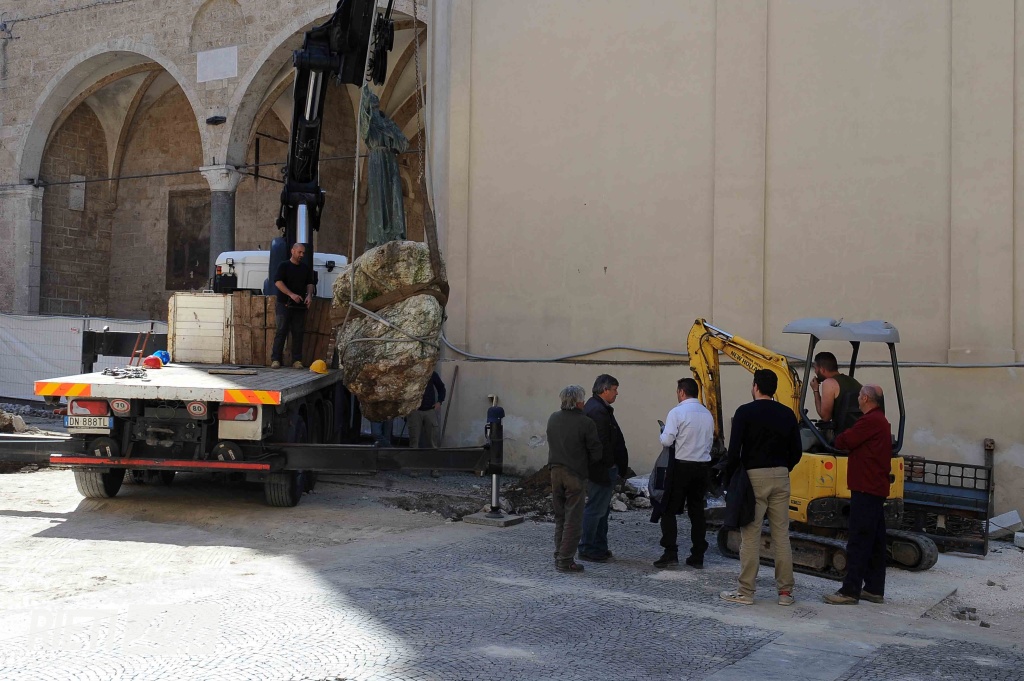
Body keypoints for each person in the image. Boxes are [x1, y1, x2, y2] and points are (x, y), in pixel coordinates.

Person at [719, 370, 804, 606]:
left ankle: (746, 591)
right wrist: (785, 467)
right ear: (774, 388)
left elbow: (733, 452)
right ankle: (785, 593)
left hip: (754, 478)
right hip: (781, 475)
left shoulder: (744, 412)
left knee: (750, 536)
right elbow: (797, 451)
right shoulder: (787, 413)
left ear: (755, 386)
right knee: (781, 536)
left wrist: (731, 478)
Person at [824, 385, 893, 605]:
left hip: (865, 487)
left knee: (859, 540)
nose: (858, 399)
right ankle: (874, 588)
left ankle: (850, 590)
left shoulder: (869, 421)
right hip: (875, 487)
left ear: (865, 399)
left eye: (860, 396)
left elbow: (845, 440)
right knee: (875, 541)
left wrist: (837, 436)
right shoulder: (880, 420)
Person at [654, 377, 714, 569]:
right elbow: (710, 441)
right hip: (702, 467)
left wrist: (663, 432)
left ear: (681, 392)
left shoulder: (677, 412)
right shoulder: (707, 414)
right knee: (697, 512)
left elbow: (667, 441)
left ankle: (670, 552)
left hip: (681, 467)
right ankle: (697, 555)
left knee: (668, 509)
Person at [546, 385, 603, 573]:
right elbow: (596, 452)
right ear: (579, 402)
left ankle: (559, 554)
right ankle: (565, 560)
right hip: (575, 473)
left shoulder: (553, 418)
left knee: (560, 516)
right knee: (573, 519)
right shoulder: (586, 423)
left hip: (555, 471)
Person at [578, 374, 629, 562]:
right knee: (596, 509)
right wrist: (610, 465)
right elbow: (602, 444)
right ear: (604, 390)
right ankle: (588, 547)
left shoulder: (598, 408)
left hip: (601, 468)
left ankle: (598, 547)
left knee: (601, 510)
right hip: (601, 469)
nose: (617, 393)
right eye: (614, 389)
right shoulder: (598, 411)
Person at [271, 243, 315, 369]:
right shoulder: (284, 266)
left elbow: (310, 283)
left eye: (303, 253)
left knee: (298, 332)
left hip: (299, 306)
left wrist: (309, 295)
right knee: (281, 331)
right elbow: (278, 282)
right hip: (284, 304)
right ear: (292, 251)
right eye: (299, 252)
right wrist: (291, 294)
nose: (301, 255)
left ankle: (297, 360)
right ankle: (276, 359)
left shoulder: (305, 268)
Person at [406, 370, 446, 477]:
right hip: (415, 411)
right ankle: (414, 469)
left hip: (429, 410)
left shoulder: (431, 373)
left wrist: (439, 401)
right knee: (414, 441)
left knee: (433, 441)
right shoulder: (411, 372)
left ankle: (434, 469)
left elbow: (441, 387)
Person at [809, 351, 862, 426]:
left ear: (822, 369)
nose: (815, 371)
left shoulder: (829, 383)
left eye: (815, 368)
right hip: (856, 427)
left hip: (841, 431)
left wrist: (815, 390)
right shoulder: (853, 381)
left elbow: (825, 417)